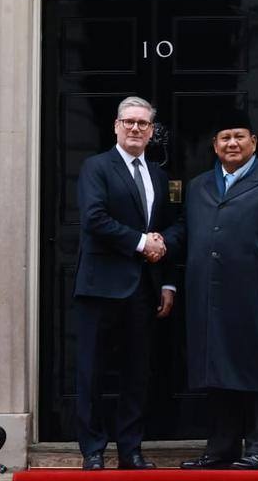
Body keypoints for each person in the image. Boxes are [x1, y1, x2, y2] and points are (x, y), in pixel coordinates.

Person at [178, 110, 258, 471]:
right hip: (208, 298)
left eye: (239, 136)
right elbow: (186, 232)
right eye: (225, 137)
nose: (232, 143)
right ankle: (221, 448)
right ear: (215, 147)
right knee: (216, 375)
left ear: (253, 143)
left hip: (257, 298)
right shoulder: (199, 186)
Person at [72, 96, 181, 470]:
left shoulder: (159, 175)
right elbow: (94, 219)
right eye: (129, 122)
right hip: (100, 286)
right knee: (93, 371)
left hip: (143, 289)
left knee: (137, 373)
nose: (136, 128)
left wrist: (168, 283)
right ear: (116, 126)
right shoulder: (96, 167)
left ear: (152, 132)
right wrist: (141, 243)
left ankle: (130, 450)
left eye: (143, 124)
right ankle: (93, 450)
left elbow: (166, 228)